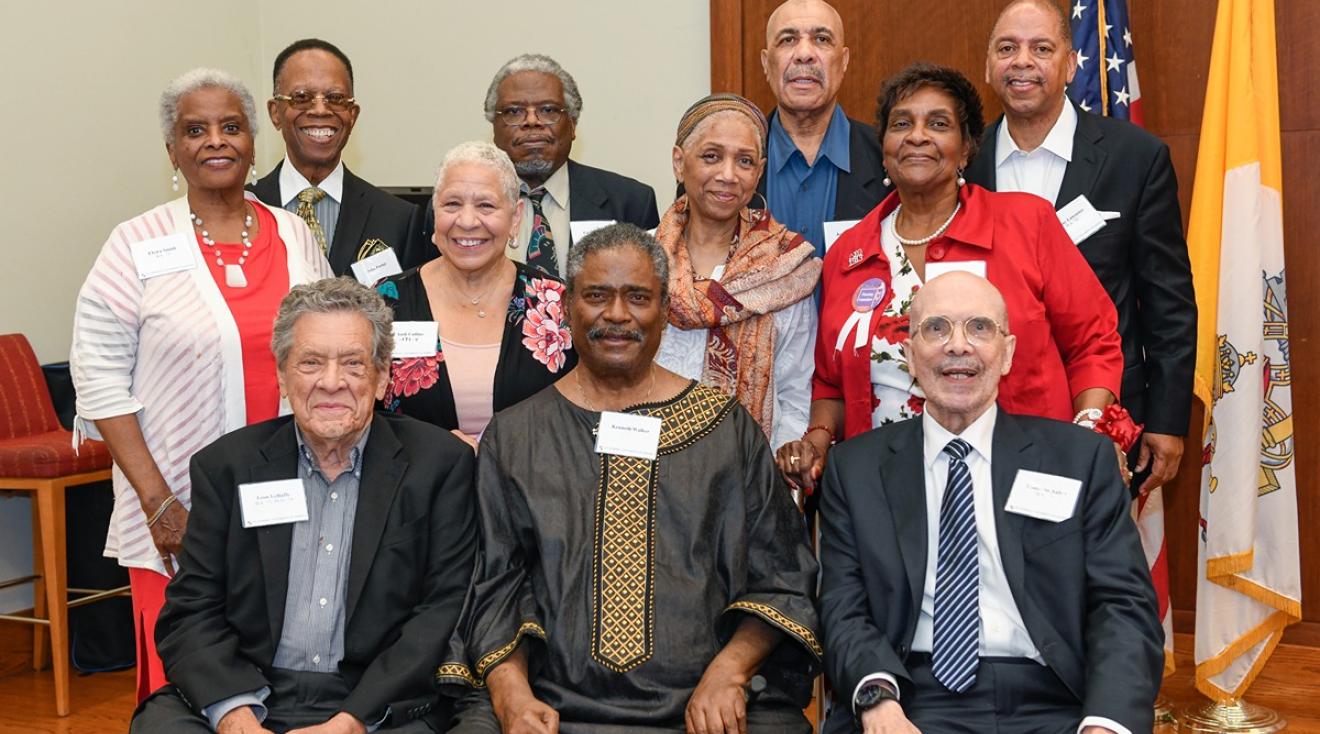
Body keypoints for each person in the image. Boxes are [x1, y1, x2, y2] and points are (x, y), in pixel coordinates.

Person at [439, 223, 821, 733]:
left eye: (637, 297)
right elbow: (494, 585)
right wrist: (513, 699)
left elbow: (783, 577)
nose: (617, 315)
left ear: (663, 309)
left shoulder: (726, 428)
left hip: (703, 707)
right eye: (597, 296)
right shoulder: (517, 435)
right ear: (567, 305)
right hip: (553, 707)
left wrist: (730, 673)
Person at [70, 67, 333, 703]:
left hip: (289, 501)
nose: (216, 141)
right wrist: (160, 505)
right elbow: (100, 380)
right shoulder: (134, 243)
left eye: (231, 126)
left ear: (252, 141)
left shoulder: (295, 235)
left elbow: (333, 347)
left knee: (285, 677)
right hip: (176, 509)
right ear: (173, 151)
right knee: (185, 685)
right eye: (196, 129)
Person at [817, 272, 1162, 734]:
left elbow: (1123, 606)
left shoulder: (1080, 460)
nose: (958, 345)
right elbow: (843, 606)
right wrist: (878, 702)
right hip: (908, 694)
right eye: (936, 328)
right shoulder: (855, 470)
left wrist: (1104, 724)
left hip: (1055, 698)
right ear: (908, 356)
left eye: (980, 327)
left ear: (1008, 354)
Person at [130, 278, 477, 733]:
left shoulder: (438, 465)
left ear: (381, 377)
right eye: (311, 362)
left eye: (352, 364)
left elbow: (443, 611)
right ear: (281, 375)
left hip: (375, 699)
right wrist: (235, 716)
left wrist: (351, 721)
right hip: (251, 687)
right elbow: (191, 609)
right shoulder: (227, 467)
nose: (331, 383)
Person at [777, 62, 1123, 495]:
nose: (917, 135)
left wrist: (1087, 436)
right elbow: (830, 381)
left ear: (965, 150)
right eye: (902, 123)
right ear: (883, 149)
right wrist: (817, 441)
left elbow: (1094, 341)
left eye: (938, 124)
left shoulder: (1026, 224)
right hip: (887, 493)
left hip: (1024, 478)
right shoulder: (849, 252)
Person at [965, 0, 1197, 493]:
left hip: (1105, 415)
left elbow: (1168, 303)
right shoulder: (962, 163)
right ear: (988, 66)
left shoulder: (1136, 158)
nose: (1022, 61)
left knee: (1088, 565)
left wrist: (1166, 419)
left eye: (1041, 48)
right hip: (981, 416)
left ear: (1070, 65)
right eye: (1007, 48)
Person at [376, 141, 574, 448]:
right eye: (452, 204)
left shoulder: (558, 304)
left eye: (486, 206)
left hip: (533, 490)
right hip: (414, 488)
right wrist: (435, 449)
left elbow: (581, 413)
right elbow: (361, 410)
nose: (467, 221)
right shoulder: (384, 302)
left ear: (516, 217)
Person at [655, 94, 820, 450]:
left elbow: (795, 392)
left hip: (747, 476)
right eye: (711, 156)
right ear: (679, 163)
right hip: (648, 468)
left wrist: (774, 473)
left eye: (744, 161)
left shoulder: (783, 268)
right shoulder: (640, 260)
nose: (728, 175)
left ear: (758, 173)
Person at [420, 54, 660, 277]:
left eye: (548, 110)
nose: (532, 121)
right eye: (514, 112)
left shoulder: (630, 203)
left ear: (573, 125)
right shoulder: (450, 212)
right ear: (494, 128)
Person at [251, 38, 427, 277]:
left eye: (335, 98)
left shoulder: (400, 219)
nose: (321, 110)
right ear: (275, 113)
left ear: (352, 115)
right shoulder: (244, 206)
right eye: (302, 97)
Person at [759, 0, 886, 256]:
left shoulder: (888, 160)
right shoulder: (723, 169)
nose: (804, 53)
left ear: (844, 60)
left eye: (822, 39)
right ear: (765, 62)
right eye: (787, 40)